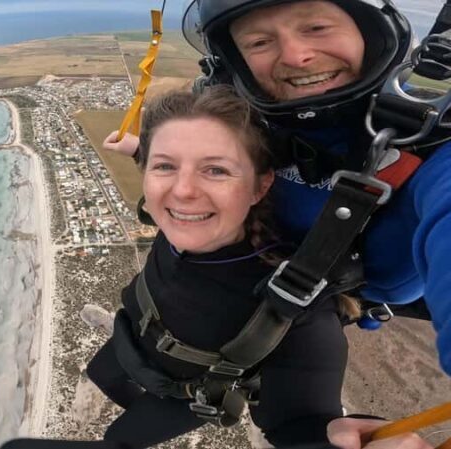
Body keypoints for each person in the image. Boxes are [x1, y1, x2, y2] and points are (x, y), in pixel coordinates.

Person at [102, 1, 451, 447]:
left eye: (317, 26)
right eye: (259, 41)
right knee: (114, 382)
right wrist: (147, 153)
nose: (296, 55)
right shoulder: (254, 116)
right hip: (161, 320)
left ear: (370, 30)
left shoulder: (433, 154)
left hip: (288, 312)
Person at [86, 86, 350, 448]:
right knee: (100, 375)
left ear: (260, 187)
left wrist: (341, 439)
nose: (183, 192)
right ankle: (141, 404)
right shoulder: (183, 219)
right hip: (133, 339)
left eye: (215, 170)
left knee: (118, 439)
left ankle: (145, 411)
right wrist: (137, 149)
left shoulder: (293, 304)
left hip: (185, 393)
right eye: (165, 165)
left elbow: (304, 424)